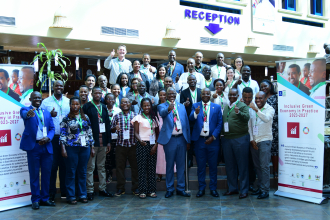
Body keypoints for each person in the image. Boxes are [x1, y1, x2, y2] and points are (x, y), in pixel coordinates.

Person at [20, 91, 56, 210]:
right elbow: (24, 114)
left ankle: (45, 198)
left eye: (39, 98)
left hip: (46, 146)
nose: (37, 99)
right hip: (33, 147)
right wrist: (29, 114)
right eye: (35, 98)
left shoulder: (46, 113)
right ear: (30, 99)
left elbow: (52, 128)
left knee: (47, 174)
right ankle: (35, 199)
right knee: (34, 174)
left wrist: (48, 138)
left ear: (42, 99)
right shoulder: (25, 110)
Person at [60, 97, 94, 204]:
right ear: (70, 105)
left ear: (80, 105)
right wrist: (63, 148)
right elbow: (62, 135)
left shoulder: (85, 117)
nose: (75, 106)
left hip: (85, 148)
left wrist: (92, 147)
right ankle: (71, 196)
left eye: (77, 104)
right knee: (71, 171)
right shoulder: (66, 119)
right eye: (73, 104)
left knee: (83, 171)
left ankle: (82, 194)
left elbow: (89, 132)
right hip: (71, 148)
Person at [157, 87, 191, 198]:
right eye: (169, 94)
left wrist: (188, 140)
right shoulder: (162, 105)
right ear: (166, 95)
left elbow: (186, 123)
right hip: (170, 140)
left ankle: (181, 188)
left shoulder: (181, 106)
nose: (171, 95)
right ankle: (170, 189)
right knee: (170, 165)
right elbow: (162, 114)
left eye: (173, 93)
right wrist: (168, 109)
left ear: (176, 95)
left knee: (181, 165)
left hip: (181, 139)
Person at [189, 88, 222, 198]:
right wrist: (195, 113)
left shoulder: (216, 107)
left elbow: (219, 123)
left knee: (213, 166)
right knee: (201, 166)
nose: (206, 95)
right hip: (199, 141)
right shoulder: (195, 105)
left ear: (210, 95)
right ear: (201, 95)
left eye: (208, 93)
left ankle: (213, 188)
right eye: (203, 93)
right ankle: (201, 188)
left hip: (213, 141)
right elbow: (191, 118)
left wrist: (213, 137)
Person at [40, 80, 70, 202]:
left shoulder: (68, 102)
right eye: (56, 85)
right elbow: (41, 118)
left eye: (61, 86)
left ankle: (64, 191)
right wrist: (49, 115)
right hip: (52, 138)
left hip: (66, 138)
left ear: (63, 88)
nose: (59, 87)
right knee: (52, 166)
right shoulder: (46, 102)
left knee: (64, 166)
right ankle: (51, 192)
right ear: (53, 87)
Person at [82, 87, 113, 200]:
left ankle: (102, 189)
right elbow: (84, 126)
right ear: (92, 94)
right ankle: (90, 191)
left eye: (100, 93)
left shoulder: (104, 107)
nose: (98, 95)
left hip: (103, 142)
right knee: (90, 167)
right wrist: (89, 143)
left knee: (101, 166)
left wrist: (109, 142)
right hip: (92, 142)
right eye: (96, 93)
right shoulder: (87, 107)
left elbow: (108, 126)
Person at [222, 88, 250, 199]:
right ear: (228, 95)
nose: (232, 96)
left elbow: (246, 118)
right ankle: (232, 188)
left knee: (242, 166)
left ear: (238, 95)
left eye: (234, 95)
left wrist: (239, 113)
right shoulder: (226, 106)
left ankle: (244, 190)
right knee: (230, 166)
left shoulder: (242, 105)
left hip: (240, 139)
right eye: (230, 95)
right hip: (227, 140)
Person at [248, 91, 274, 199]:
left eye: (260, 98)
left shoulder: (270, 109)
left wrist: (256, 109)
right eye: (256, 98)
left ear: (265, 99)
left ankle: (265, 190)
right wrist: (251, 139)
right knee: (257, 166)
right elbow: (249, 125)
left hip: (265, 140)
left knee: (264, 167)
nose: (258, 100)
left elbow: (266, 118)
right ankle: (259, 187)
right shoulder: (252, 109)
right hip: (254, 141)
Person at [111, 98, 139, 196]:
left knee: (135, 167)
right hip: (120, 145)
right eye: (122, 102)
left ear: (130, 103)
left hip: (133, 145)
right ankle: (120, 188)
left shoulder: (135, 115)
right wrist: (115, 128)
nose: (125, 104)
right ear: (120, 104)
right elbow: (111, 130)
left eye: (127, 102)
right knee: (120, 168)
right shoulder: (116, 116)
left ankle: (135, 188)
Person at [132, 98, 159, 198]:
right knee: (142, 168)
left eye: (148, 105)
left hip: (153, 145)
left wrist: (155, 145)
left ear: (151, 106)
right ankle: (142, 191)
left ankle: (151, 190)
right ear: (141, 107)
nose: (147, 107)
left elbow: (157, 133)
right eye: (144, 105)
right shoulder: (137, 118)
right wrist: (140, 141)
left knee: (151, 168)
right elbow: (135, 132)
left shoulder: (154, 117)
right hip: (142, 144)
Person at [180, 74, 202, 168]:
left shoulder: (201, 91)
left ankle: (199, 159)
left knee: (199, 141)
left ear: (196, 81)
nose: (192, 81)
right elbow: (180, 106)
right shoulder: (184, 93)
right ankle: (189, 160)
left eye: (193, 79)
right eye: (190, 80)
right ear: (187, 81)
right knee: (189, 141)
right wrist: (184, 104)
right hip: (188, 120)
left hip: (200, 120)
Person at [156, 89, 176, 181]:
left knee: (170, 157)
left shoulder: (173, 105)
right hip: (161, 134)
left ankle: (173, 172)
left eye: (164, 95)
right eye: (161, 95)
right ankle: (160, 173)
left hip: (171, 134)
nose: (163, 97)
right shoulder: (157, 107)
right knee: (160, 156)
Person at [260, 79, 278, 178]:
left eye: (265, 86)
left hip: (274, 127)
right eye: (262, 87)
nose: (264, 88)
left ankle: (275, 171)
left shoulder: (276, 97)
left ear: (270, 86)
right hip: (262, 127)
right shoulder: (260, 98)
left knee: (274, 150)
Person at [241, 87, 257, 192]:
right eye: (245, 97)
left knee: (251, 163)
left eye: (249, 97)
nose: (247, 99)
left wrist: (253, 139)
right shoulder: (239, 105)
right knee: (243, 162)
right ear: (242, 96)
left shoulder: (255, 106)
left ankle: (251, 183)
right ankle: (243, 183)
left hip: (253, 139)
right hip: (241, 138)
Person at [104, 93, 122, 182]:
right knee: (107, 158)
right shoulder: (103, 110)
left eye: (112, 99)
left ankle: (115, 176)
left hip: (116, 137)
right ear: (105, 100)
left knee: (115, 157)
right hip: (106, 137)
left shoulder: (118, 110)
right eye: (108, 99)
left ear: (115, 100)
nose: (110, 101)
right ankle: (108, 175)